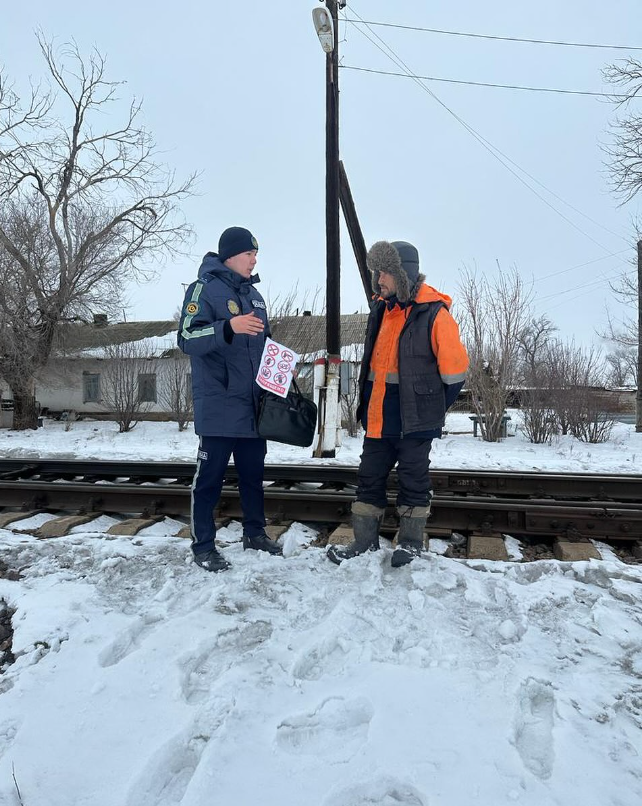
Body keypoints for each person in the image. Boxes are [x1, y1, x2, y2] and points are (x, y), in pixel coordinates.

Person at [327, 240, 469, 568]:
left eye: (386, 272)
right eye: (378, 272)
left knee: (414, 480)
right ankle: (363, 543)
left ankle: (409, 544)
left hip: (415, 422)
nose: (380, 279)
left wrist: (431, 408)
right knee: (369, 478)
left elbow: (455, 372)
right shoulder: (381, 309)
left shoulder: (434, 313)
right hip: (378, 419)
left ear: (403, 274)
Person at [177, 226, 282, 572]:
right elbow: (188, 336)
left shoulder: (255, 297)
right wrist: (227, 327)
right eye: (249, 254)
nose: (254, 260)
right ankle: (203, 546)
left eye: (256, 255)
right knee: (209, 481)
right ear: (231, 255)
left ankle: (254, 534)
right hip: (220, 406)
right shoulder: (203, 290)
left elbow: (263, 345)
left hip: (253, 408)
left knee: (253, 477)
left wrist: (281, 367)